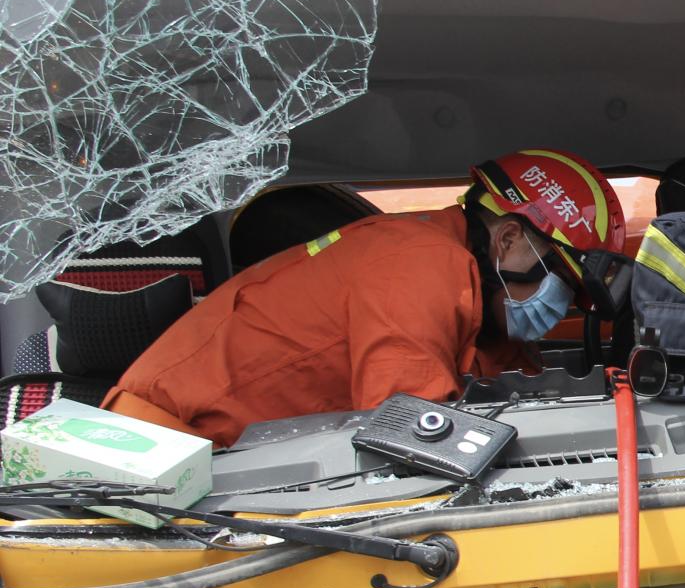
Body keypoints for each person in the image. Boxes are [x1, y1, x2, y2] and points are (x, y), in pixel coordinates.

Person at [106, 149, 626, 447]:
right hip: (155, 454)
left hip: (223, 461)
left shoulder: (465, 289)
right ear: (508, 239)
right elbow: (412, 430)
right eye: (556, 275)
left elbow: (510, 384)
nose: (559, 305)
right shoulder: (418, 263)